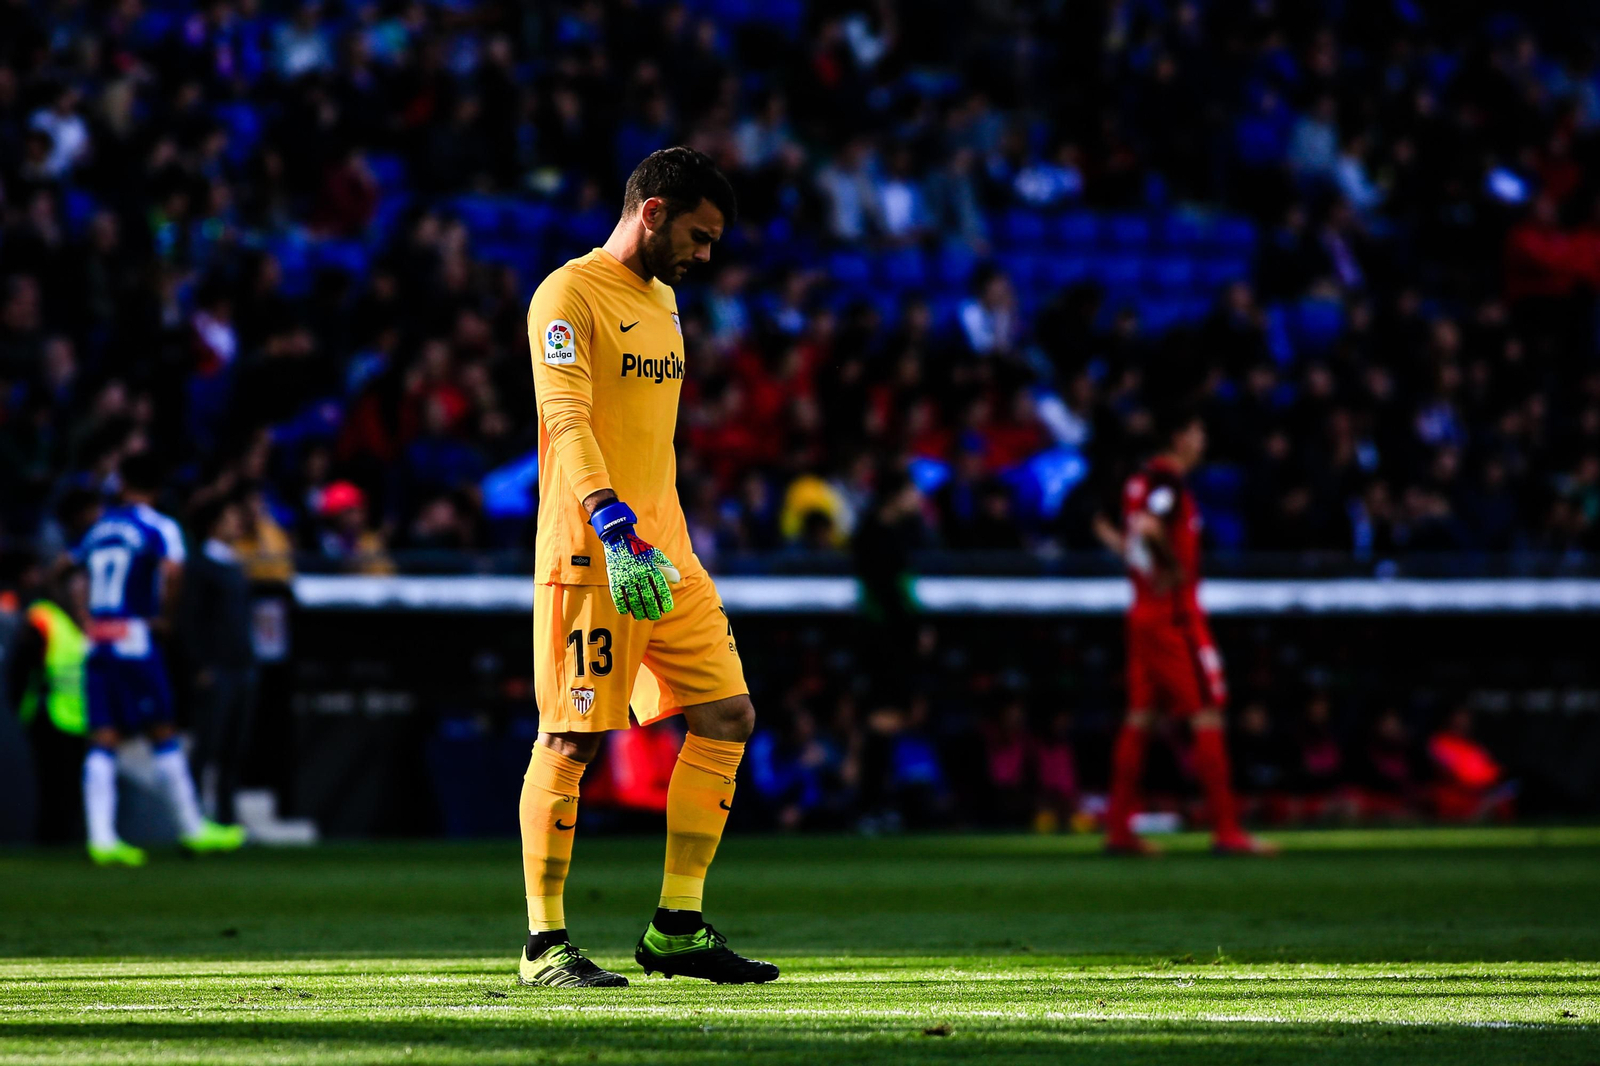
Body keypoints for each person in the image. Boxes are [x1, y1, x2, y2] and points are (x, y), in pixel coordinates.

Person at [517, 147, 776, 988]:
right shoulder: (567, 295)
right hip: (597, 549)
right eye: (698, 237)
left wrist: (651, 535)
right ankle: (543, 946)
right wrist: (611, 521)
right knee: (572, 737)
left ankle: (677, 926)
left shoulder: (663, 302)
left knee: (727, 715)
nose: (705, 257)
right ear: (654, 212)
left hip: (668, 552)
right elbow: (566, 417)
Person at [1093, 409, 1276, 856]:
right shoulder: (1167, 484)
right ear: (1177, 437)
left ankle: (1118, 829)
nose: (1203, 443)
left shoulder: (1138, 482)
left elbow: (1115, 530)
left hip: (1141, 613)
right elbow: (1150, 528)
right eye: (1197, 433)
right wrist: (1172, 567)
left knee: (1140, 718)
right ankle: (1227, 830)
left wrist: (1138, 557)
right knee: (1208, 713)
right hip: (1175, 618)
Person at [76, 453, 246, 865]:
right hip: (135, 636)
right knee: (163, 731)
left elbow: (66, 568)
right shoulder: (158, 526)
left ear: (122, 483)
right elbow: (173, 572)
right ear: (156, 488)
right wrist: (164, 619)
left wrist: (84, 617)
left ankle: (101, 837)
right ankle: (192, 828)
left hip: (99, 638)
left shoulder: (100, 527)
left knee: (103, 737)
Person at [179, 496, 258, 824]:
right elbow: (189, 620)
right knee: (207, 747)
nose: (237, 523)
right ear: (213, 524)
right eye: (229, 517)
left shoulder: (234, 563)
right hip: (216, 670)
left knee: (233, 750)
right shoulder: (199, 566)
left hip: (242, 668)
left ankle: (227, 817)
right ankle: (194, 819)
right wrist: (199, 665)